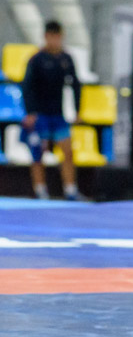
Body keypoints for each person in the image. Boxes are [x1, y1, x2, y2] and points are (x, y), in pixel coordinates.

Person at [20, 20, 81, 201]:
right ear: (46, 37)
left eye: (58, 37)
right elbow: (27, 87)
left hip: (58, 115)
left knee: (68, 152)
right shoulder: (36, 59)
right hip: (40, 115)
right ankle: (40, 190)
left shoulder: (66, 59)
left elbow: (75, 85)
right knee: (38, 153)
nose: (56, 41)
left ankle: (70, 190)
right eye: (52, 37)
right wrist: (30, 112)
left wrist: (77, 109)